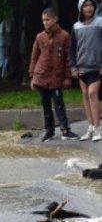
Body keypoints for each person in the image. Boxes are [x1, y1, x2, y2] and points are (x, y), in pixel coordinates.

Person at [29, 8, 78, 141]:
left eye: (48, 19)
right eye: (43, 20)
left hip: (56, 78)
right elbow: (34, 57)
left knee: (59, 104)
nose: (45, 22)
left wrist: (68, 77)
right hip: (41, 77)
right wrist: (32, 76)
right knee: (46, 105)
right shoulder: (40, 37)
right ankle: (49, 131)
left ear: (55, 19)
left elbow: (69, 58)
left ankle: (65, 130)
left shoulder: (64, 36)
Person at [69, 0, 102, 141]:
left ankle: (97, 128)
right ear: (80, 8)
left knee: (92, 94)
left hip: (96, 66)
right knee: (85, 96)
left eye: (91, 5)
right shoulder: (76, 27)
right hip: (81, 67)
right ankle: (90, 126)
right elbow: (72, 49)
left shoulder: (100, 23)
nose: (89, 8)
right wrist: (73, 67)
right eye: (85, 5)